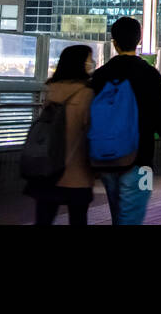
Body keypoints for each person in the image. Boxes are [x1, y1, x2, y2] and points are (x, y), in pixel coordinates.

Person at [87, 16, 161, 225]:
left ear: (113, 42)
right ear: (139, 40)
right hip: (141, 160)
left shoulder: (100, 75)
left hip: (106, 158)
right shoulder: (150, 74)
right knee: (133, 215)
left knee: (118, 215)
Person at [25, 44, 95, 225]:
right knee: (78, 218)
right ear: (80, 64)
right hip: (76, 169)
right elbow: (91, 129)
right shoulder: (87, 93)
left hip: (47, 167)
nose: (92, 63)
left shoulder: (51, 89)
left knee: (44, 218)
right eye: (89, 60)